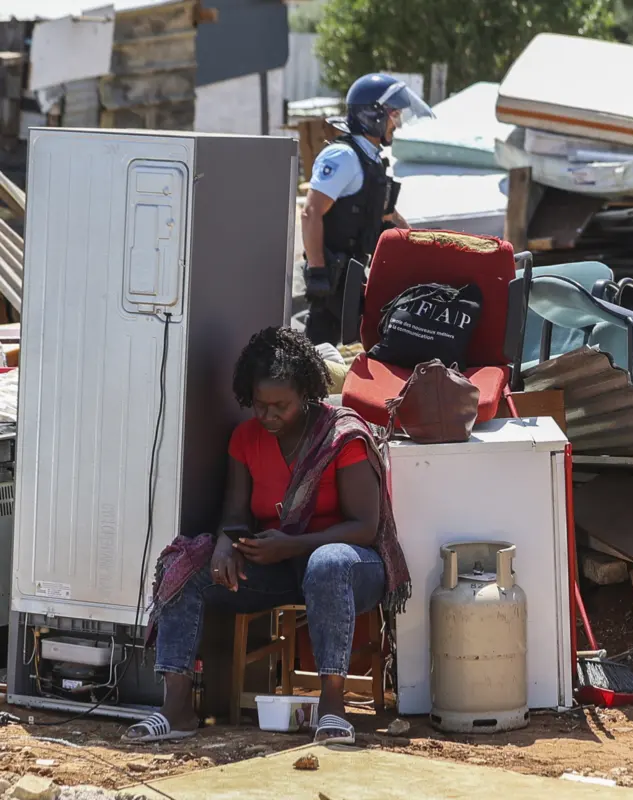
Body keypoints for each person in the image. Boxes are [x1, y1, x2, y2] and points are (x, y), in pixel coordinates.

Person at [124, 327, 411, 745]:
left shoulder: (342, 436)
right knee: (183, 567)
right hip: (278, 567)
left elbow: (365, 527)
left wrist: (291, 545)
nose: (270, 416)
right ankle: (178, 707)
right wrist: (225, 547)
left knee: (327, 563)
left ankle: (332, 708)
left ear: (307, 395)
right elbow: (235, 515)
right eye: (261, 405)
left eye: (281, 406)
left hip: (350, 570)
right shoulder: (245, 439)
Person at [301, 73, 434, 346]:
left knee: (353, 343)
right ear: (372, 115)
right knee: (324, 349)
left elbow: (388, 215)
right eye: (393, 115)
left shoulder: (371, 160)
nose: (396, 124)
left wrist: (423, 247)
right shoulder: (344, 156)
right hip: (332, 274)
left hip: (352, 272)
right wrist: (317, 272)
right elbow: (311, 212)